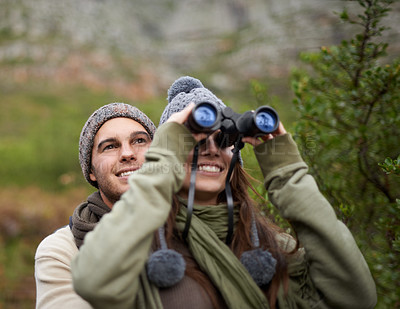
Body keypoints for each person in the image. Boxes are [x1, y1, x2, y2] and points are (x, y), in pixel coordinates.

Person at [71, 76, 377, 309]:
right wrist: (161, 163)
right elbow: (93, 281)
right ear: (169, 152)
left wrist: (289, 174)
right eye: (194, 140)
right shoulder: (139, 248)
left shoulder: (273, 248)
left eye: (224, 140)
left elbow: (357, 298)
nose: (211, 150)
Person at [34, 103, 156, 308]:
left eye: (139, 141)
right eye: (110, 146)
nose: (127, 153)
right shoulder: (62, 251)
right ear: (91, 171)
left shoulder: (193, 229)